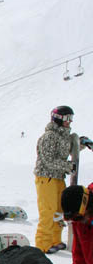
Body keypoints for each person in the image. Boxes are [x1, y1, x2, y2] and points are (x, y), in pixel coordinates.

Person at [33, 105, 85, 253]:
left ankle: (55, 240)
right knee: (48, 211)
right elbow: (48, 159)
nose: (69, 122)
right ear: (57, 119)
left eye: (71, 118)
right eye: (67, 118)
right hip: (46, 178)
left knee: (59, 210)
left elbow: (68, 148)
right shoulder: (49, 136)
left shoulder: (63, 136)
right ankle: (43, 245)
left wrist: (80, 144)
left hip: (57, 177)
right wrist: (69, 166)